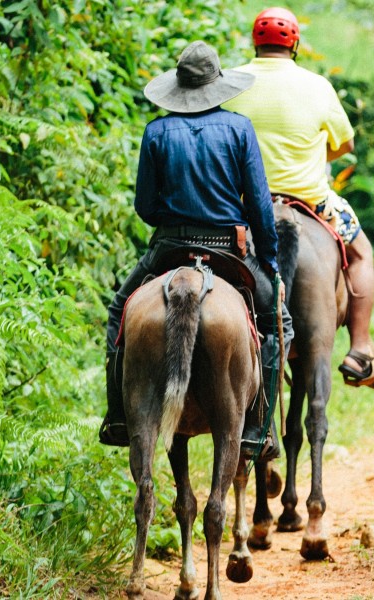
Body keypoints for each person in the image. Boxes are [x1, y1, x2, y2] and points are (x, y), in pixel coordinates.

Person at [98, 41, 294, 460]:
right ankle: (258, 429)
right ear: (216, 85)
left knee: (118, 312)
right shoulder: (240, 129)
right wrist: (271, 263)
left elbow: (145, 208)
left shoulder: (156, 131)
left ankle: (118, 417)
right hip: (227, 249)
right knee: (279, 324)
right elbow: (260, 205)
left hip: (169, 246)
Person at [222, 7, 374, 391]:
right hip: (311, 201)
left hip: (243, 204)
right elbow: (344, 143)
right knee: (361, 250)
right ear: (294, 44)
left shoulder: (230, 83)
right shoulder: (317, 85)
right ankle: (360, 346)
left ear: (254, 42)